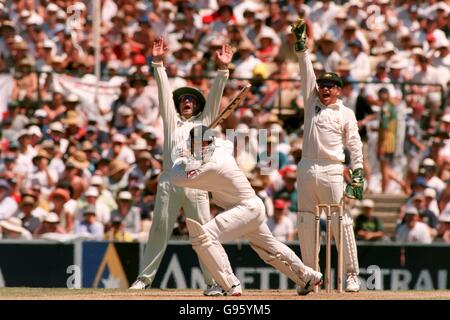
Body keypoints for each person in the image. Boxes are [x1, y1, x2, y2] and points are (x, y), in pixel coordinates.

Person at [130, 37, 233, 292]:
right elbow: (164, 94)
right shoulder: (171, 121)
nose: (187, 101)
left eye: (192, 100)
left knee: (203, 235)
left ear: (198, 106)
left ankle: (215, 283)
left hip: (197, 181)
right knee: (159, 232)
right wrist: (158, 64)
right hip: (169, 180)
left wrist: (222, 71)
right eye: (184, 99)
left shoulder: (205, 122)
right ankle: (143, 281)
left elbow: (215, 98)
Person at [171, 126, 322, 296]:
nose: (198, 148)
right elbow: (225, 142)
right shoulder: (221, 146)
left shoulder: (212, 166)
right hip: (251, 207)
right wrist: (190, 150)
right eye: (196, 144)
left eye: (199, 144)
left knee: (204, 236)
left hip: (245, 209)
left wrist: (180, 159)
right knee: (268, 249)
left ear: (205, 144)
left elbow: (177, 178)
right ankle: (308, 276)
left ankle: (228, 283)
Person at [291, 19, 364, 293]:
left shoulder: (345, 113)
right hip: (307, 168)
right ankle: (310, 277)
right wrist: (302, 48)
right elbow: (305, 71)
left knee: (340, 222)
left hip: (333, 169)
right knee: (306, 224)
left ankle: (351, 275)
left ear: (339, 90)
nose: (324, 88)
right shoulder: (312, 102)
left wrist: (357, 173)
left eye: (330, 85)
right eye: (322, 84)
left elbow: (355, 145)